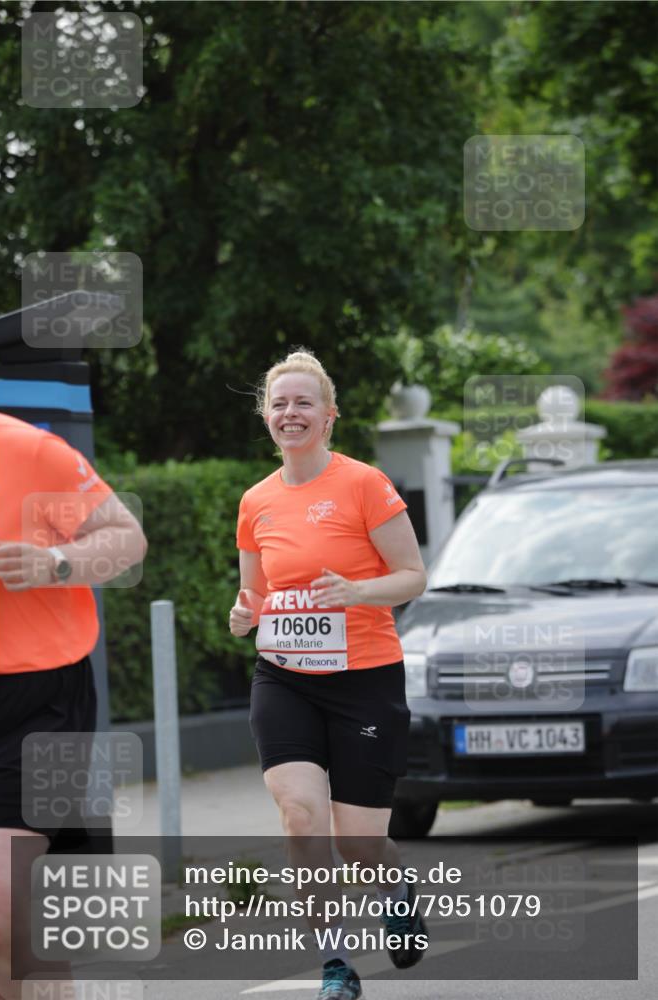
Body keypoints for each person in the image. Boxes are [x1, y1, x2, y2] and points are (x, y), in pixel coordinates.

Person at [229, 350, 428, 1000]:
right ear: (266, 415)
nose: (290, 413)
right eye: (279, 403)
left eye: (303, 403)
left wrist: (358, 591)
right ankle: (335, 965)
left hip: (365, 680)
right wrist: (243, 614)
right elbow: (255, 595)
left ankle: (395, 891)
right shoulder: (256, 500)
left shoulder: (364, 484)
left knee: (360, 845)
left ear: (329, 415)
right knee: (299, 815)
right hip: (283, 678)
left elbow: (413, 576)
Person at [0, 411, 148, 1000]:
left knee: (3, 902)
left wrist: (55, 564)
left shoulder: (30, 450)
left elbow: (127, 541)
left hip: (39, 698)